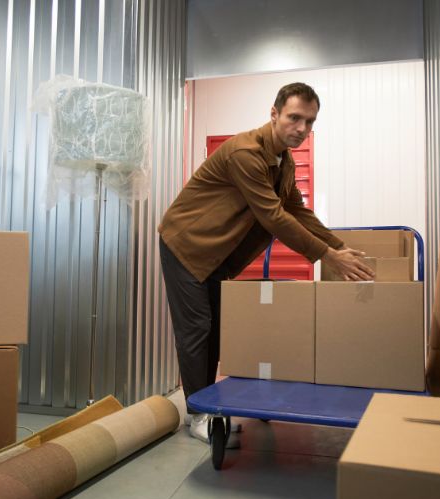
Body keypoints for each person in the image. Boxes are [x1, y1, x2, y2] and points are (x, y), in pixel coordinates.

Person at [158, 82, 374, 444]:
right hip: (186, 245)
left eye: (309, 121)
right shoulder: (246, 153)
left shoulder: (283, 162)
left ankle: (205, 405)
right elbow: (273, 217)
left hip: (216, 253)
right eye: (294, 118)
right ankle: (198, 415)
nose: (302, 129)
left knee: (214, 328)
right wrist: (325, 255)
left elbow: (297, 211)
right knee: (197, 329)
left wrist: (339, 247)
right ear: (274, 114)